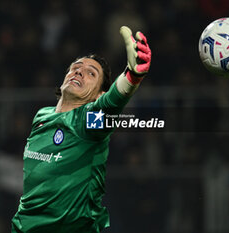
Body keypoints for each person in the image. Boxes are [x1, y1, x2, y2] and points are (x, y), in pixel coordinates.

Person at [11, 26, 151, 233]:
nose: (79, 72)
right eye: (75, 67)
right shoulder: (42, 116)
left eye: (90, 73)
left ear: (98, 95)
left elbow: (110, 104)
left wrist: (131, 78)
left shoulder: (88, 122)